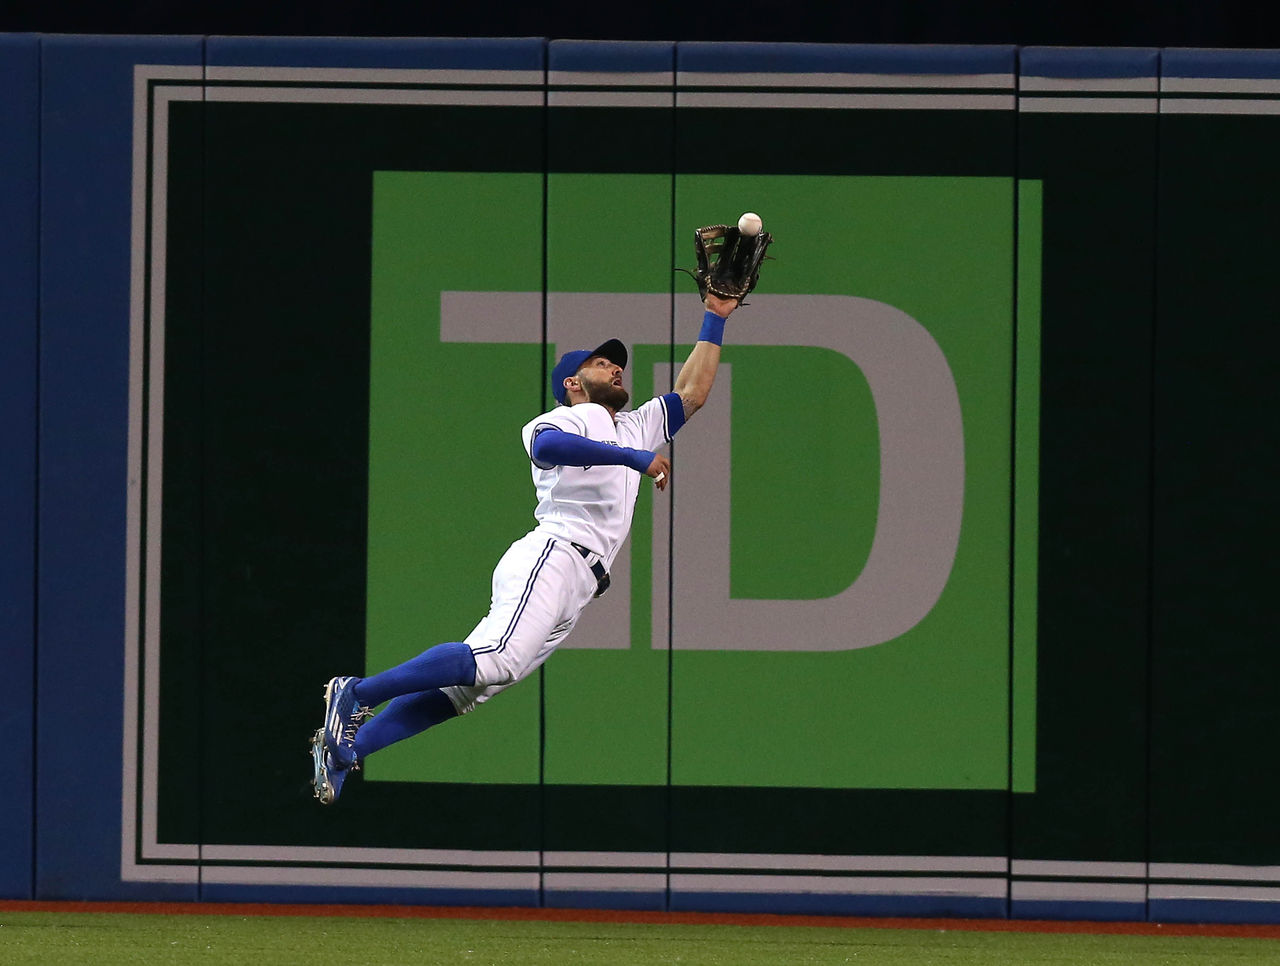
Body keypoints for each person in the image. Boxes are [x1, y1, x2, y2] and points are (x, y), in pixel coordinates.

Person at [310, 291, 739, 804]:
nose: (616, 368)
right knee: (498, 660)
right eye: (601, 364)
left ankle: (348, 751)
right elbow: (546, 448)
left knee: (468, 689)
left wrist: (714, 317)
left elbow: (691, 393)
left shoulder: (633, 424)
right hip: (554, 555)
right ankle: (356, 692)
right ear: (573, 383)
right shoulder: (573, 418)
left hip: (578, 585)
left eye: (618, 363)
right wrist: (632, 459)